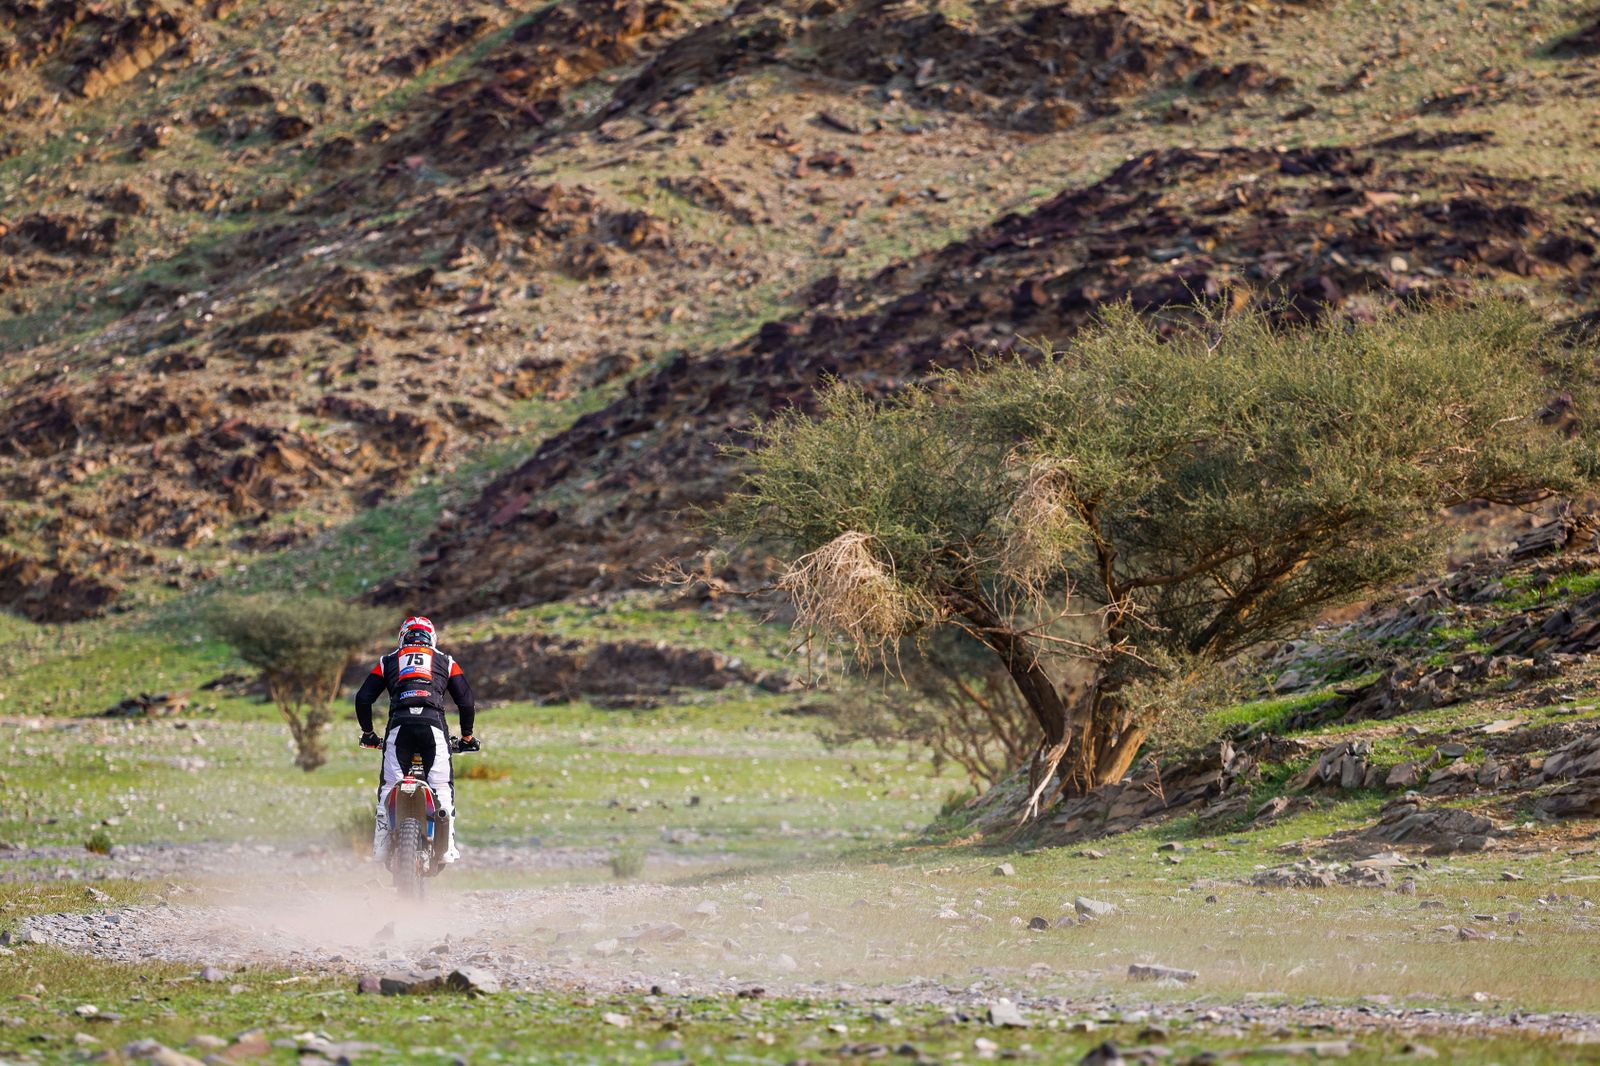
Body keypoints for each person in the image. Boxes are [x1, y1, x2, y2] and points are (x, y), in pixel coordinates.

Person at [354, 615, 479, 866]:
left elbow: (363, 698)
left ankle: (381, 846)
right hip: (433, 726)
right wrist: (467, 736)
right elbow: (466, 701)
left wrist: (368, 734)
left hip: (399, 726)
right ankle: (447, 846)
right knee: (441, 785)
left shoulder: (387, 661)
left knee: (390, 785)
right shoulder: (446, 661)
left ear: (402, 637)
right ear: (432, 638)